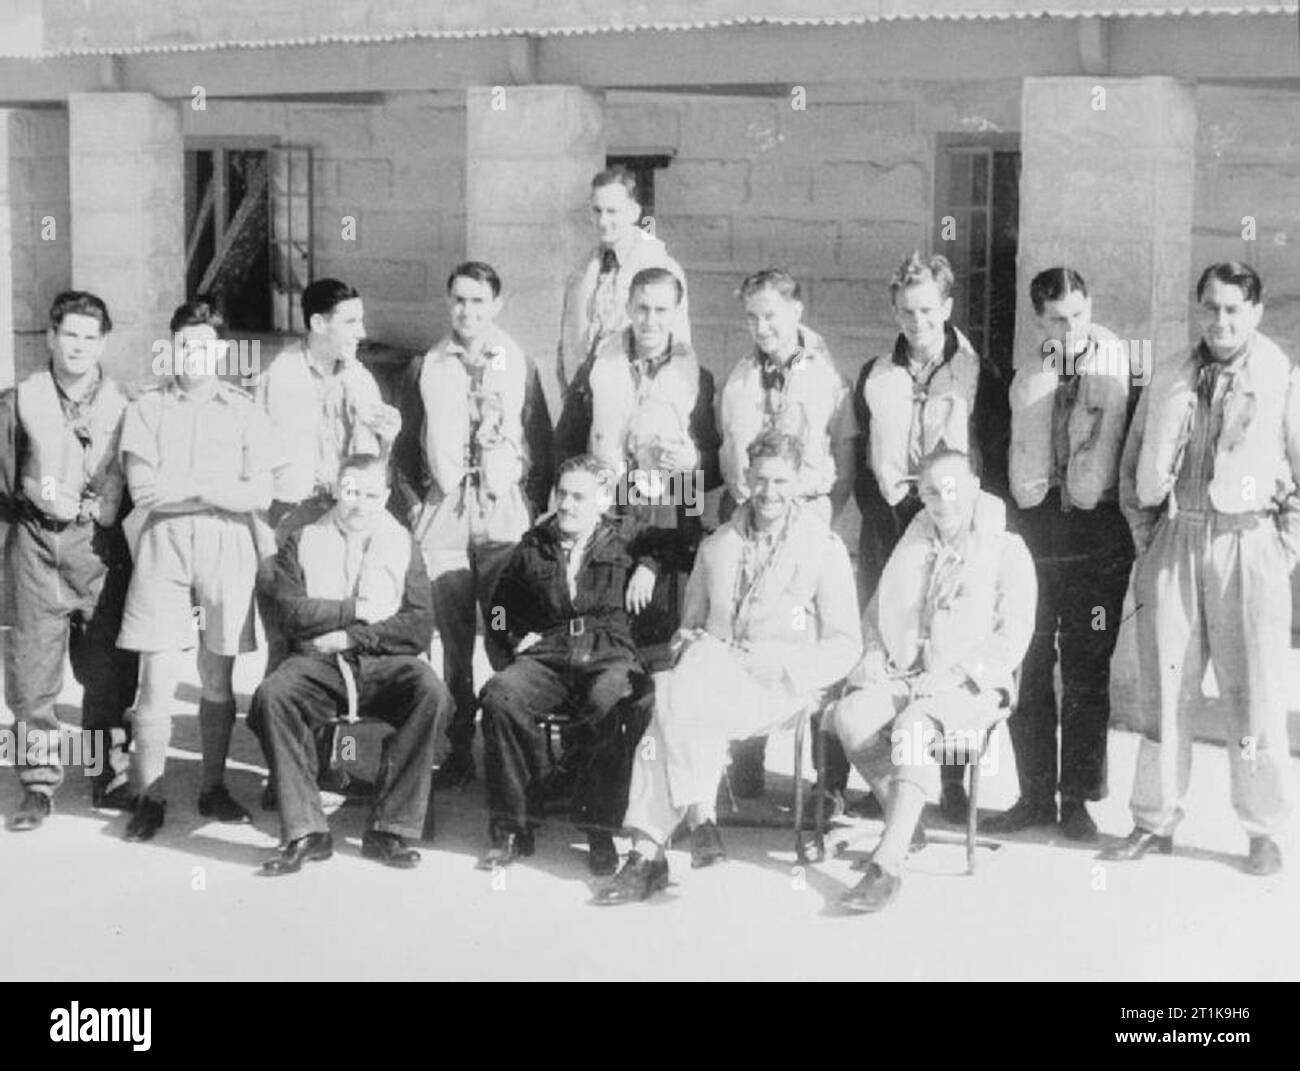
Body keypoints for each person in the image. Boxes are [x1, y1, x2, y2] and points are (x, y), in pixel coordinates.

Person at [595, 430, 861, 904]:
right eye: (760, 480)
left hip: (779, 685)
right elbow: (689, 625)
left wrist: (790, 672)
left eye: (780, 481)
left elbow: (845, 644)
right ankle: (684, 830)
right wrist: (690, 638)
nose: (769, 493)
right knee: (690, 672)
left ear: (798, 481)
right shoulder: (718, 544)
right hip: (715, 674)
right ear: (745, 480)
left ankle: (652, 852)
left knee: (673, 703)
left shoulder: (824, 548)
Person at [1103, 261, 1297, 876]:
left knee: (1255, 698)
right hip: (1178, 539)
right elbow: (1134, 467)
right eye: (1210, 308)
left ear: (1255, 313)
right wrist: (1152, 543)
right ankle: (1153, 820)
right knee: (1165, 692)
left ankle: (1262, 829)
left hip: (1248, 547)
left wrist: (1280, 550)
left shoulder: (1282, 378)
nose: (1220, 321)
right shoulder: (1170, 376)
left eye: (1233, 309)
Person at [829, 448, 1036, 912]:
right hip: (908, 673)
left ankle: (888, 864)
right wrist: (876, 654)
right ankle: (904, 818)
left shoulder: (1006, 551)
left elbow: (1013, 638)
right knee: (851, 716)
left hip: (971, 684)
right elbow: (876, 614)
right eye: (930, 492)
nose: (943, 502)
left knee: (913, 729)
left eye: (952, 489)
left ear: (975, 487)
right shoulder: (913, 545)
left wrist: (955, 675)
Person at [854, 252, 1010, 824]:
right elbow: (862, 456)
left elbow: (990, 459)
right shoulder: (877, 374)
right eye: (905, 309)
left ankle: (951, 784)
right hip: (893, 526)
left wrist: (969, 525)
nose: (916, 321)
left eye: (926, 309)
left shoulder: (978, 373)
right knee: (893, 641)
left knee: (947, 643)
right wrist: (882, 511)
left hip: (954, 524)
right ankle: (892, 782)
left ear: (946, 307)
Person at [113, 301, 275, 841]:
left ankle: (213, 786)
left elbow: (260, 492)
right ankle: (149, 795)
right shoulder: (148, 408)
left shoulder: (244, 410)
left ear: (222, 351)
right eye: (184, 345)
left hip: (228, 547)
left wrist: (191, 487)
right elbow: (144, 492)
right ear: (172, 348)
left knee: (216, 674)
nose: (193, 355)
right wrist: (215, 489)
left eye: (204, 345)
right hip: (164, 547)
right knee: (155, 677)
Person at [390, 261, 554, 791]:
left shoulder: (520, 365)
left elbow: (541, 445)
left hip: (502, 515)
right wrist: (417, 507)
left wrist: (526, 506)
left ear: (496, 306)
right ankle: (459, 745)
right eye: (459, 300)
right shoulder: (425, 366)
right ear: (448, 303)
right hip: (445, 517)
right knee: (454, 642)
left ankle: (517, 749)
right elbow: (405, 446)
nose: (467, 311)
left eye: (478, 302)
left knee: (506, 631)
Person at [985, 268, 1134, 841]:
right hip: (1037, 539)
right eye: (1056, 319)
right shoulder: (1023, 378)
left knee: (1086, 671)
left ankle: (1077, 799)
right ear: (1039, 319)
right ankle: (1033, 794)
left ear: (1089, 306)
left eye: (1077, 315)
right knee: (1027, 663)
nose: (1069, 328)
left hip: (1098, 542)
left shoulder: (1127, 366)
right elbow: (1000, 457)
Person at [247, 454, 450, 876]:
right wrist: (358, 608)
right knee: (273, 695)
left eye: (371, 494)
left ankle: (389, 827)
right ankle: (306, 829)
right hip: (318, 661)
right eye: (351, 491)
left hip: (383, 660)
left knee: (429, 690)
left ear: (387, 496)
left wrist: (351, 635)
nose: (358, 503)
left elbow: (417, 622)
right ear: (337, 489)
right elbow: (289, 614)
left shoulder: (401, 542)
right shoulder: (302, 539)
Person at [476, 455, 673, 875]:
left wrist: (651, 567)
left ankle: (598, 827)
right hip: (550, 650)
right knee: (500, 695)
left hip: (609, 649)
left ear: (603, 499)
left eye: (578, 497)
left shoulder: (629, 537)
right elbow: (497, 609)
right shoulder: (534, 543)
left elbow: (682, 538)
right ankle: (513, 822)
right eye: (561, 494)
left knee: (610, 701)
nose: (566, 505)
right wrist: (513, 638)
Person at [716, 268, 856, 800]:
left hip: (808, 516)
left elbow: (845, 450)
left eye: (770, 315)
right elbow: (724, 447)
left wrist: (825, 519)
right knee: (746, 625)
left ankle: (829, 781)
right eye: (751, 317)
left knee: (816, 638)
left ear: (796, 311)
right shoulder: (738, 377)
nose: (761, 327)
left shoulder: (826, 374)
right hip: (753, 515)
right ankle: (746, 762)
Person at [1, 291, 138, 831]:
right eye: (69, 334)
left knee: (107, 673)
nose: (78, 346)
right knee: (31, 674)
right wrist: (40, 495)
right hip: (36, 547)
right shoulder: (18, 402)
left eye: (89, 336)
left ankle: (106, 769)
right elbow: (6, 480)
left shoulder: (124, 405)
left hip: (98, 553)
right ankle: (37, 782)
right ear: (51, 337)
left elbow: (131, 485)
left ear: (102, 342)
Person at [556, 166, 689, 394]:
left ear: (634, 212)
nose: (602, 221)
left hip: (636, 401)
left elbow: (678, 349)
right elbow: (566, 348)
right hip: (582, 405)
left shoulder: (661, 268)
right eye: (597, 211)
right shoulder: (580, 273)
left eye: (612, 211)